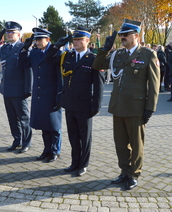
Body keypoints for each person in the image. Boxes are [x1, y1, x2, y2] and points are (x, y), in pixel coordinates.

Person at [92, 19, 160, 190]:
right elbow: (97, 65)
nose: (122, 37)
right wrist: (105, 49)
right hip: (118, 106)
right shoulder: (117, 54)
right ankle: (124, 171)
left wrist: (150, 107)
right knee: (120, 143)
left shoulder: (147, 54)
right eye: (121, 35)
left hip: (136, 108)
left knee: (136, 144)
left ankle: (134, 174)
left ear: (136, 36)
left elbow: (154, 84)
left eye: (126, 34)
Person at [45, 26, 104, 176]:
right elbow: (48, 59)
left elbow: (99, 85)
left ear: (87, 41)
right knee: (73, 136)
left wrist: (96, 106)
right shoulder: (67, 56)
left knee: (85, 137)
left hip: (85, 105)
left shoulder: (93, 59)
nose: (76, 42)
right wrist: (57, 45)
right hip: (69, 103)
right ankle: (74, 162)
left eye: (79, 39)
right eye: (74, 39)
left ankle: (83, 165)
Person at [19, 28, 62, 162]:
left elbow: (60, 77)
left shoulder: (56, 53)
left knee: (54, 126)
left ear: (48, 40)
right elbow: (23, 64)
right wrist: (24, 50)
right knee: (44, 125)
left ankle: (55, 151)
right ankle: (47, 150)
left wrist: (59, 95)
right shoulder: (35, 53)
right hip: (39, 94)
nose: (37, 42)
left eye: (40, 39)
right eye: (36, 39)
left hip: (52, 94)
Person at [0, 21, 32, 153]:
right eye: (7, 32)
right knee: (12, 118)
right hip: (6, 88)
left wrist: (28, 89)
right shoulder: (5, 48)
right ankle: (16, 140)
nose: (9, 34)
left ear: (18, 34)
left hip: (19, 89)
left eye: (11, 32)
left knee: (23, 118)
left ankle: (26, 142)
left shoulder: (23, 47)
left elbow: (28, 70)